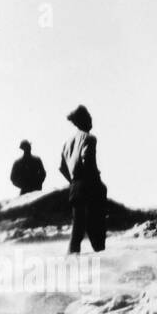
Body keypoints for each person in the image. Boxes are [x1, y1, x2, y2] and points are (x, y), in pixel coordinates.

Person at [58, 105, 107, 253]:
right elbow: (87, 160)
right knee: (96, 229)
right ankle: (103, 266)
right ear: (84, 120)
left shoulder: (67, 142)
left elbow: (62, 168)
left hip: (75, 187)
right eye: (89, 117)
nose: (92, 120)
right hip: (89, 185)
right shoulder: (90, 138)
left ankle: (71, 265)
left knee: (77, 230)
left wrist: (74, 181)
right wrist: (97, 183)